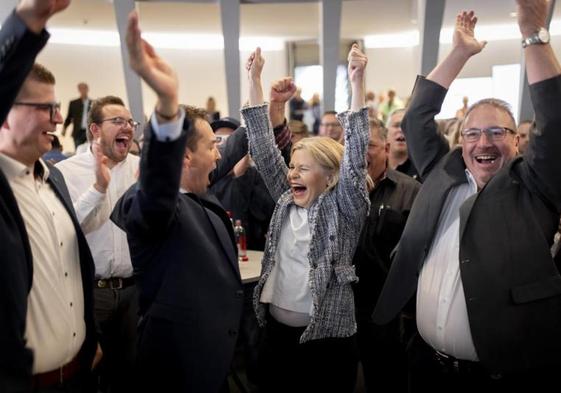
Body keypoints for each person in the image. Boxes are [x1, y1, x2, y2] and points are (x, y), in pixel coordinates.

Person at [373, 3, 561, 391]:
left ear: (517, 140)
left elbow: (556, 120)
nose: (483, 142)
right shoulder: (443, 171)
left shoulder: (533, 184)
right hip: (425, 364)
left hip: (501, 375)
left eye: (496, 132)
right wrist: (459, 53)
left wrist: (533, 33)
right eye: (472, 133)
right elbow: (416, 118)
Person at [110, 11, 245, 393]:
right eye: (211, 147)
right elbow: (154, 192)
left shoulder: (201, 194)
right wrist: (167, 105)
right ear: (184, 157)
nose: (219, 156)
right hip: (177, 369)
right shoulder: (155, 207)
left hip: (210, 361)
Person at [242, 44, 370, 393]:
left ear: (329, 177)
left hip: (327, 341)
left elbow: (356, 157)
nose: (292, 174)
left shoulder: (344, 209)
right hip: (277, 336)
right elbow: (263, 146)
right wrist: (254, 79)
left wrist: (356, 83)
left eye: (303, 169)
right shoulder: (286, 200)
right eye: (292, 167)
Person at [0, 2, 98, 392]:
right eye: (47, 108)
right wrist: (27, 22)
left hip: (78, 375)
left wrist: (87, 338)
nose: (59, 120)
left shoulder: (54, 178)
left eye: (58, 108)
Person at [56, 95, 141, 393]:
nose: (127, 127)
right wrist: (98, 189)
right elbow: (66, 229)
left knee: (131, 373)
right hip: (91, 294)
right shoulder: (67, 172)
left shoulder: (142, 170)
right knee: (85, 374)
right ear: (94, 130)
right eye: (117, 121)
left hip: (135, 291)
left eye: (130, 122)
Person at [352, 118, 420, 393]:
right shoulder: (335, 190)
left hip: (386, 311)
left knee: (385, 379)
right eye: (354, 146)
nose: (361, 152)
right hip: (342, 306)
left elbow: (415, 254)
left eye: (369, 145)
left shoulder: (409, 191)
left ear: (386, 148)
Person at [386, 108, 420, 180]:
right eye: (396, 125)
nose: (401, 130)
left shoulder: (420, 170)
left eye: (405, 126)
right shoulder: (376, 166)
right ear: (386, 132)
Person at [63, 82, 92, 149]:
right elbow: (69, 117)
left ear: (87, 89)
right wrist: (64, 128)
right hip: (78, 132)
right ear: (79, 90)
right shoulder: (73, 103)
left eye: (84, 88)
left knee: (91, 149)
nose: (83, 90)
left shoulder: (93, 103)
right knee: (78, 150)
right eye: (81, 88)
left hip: (90, 131)